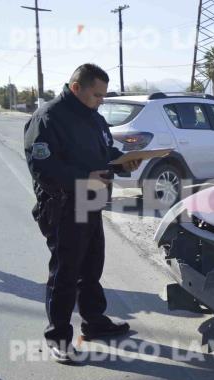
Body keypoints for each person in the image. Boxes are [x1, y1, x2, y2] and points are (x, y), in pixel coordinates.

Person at [23, 63, 141, 363]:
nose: (101, 100)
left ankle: (95, 322)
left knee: (91, 266)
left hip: (91, 202)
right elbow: (43, 168)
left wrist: (124, 161)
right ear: (76, 88)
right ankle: (59, 337)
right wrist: (83, 178)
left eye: (103, 96)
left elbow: (105, 152)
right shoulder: (49, 118)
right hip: (64, 206)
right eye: (97, 95)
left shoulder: (93, 118)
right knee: (65, 272)